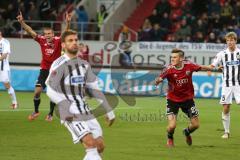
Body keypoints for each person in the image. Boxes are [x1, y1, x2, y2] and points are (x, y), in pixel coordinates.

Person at [45, 29, 115, 160]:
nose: (74, 43)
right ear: (63, 45)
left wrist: (108, 110)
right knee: (90, 143)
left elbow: (95, 89)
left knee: (100, 146)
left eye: (76, 40)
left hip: (84, 109)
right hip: (69, 112)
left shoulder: (84, 65)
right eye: (70, 40)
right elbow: (50, 90)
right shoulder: (59, 64)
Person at [16, 11, 71, 122]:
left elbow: (65, 33)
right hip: (45, 70)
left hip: (55, 70)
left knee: (52, 94)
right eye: (45, 34)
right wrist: (22, 22)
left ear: (53, 34)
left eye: (49, 34)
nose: (47, 36)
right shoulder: (41, 40)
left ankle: (50, 114)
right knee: (37, 91)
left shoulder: (58, 41)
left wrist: (68, 22)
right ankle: (36, 111)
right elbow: (30, 31)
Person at [155, 48, 212, 147]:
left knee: (195, 125)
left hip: (187, 100)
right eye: (171, 57)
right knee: (172, 126)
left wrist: (213, 68)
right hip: (172, 100)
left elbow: (201, 67)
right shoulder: (168, 69)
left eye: (175, 57)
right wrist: (158, 80)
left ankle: (186, 132)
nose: (172, 59)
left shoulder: (189, 65)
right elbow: (159, 78)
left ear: (181, 58)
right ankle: (170, 137)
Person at [209, 32, 240, 139]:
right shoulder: (222, 54)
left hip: (238, 84)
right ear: (226, 42)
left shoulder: (239, 53)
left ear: (236, 41)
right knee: (226, 107)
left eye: (232, 40)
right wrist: (211, 68)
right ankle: (226, 132)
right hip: (227, 85)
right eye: (228, 40)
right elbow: (213, 64)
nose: (230, 42)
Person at [0, 30, 18, 109]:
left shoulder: (5, 42)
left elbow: (4, 55)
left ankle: (14, 103)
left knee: (7, 85)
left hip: (3, 67)